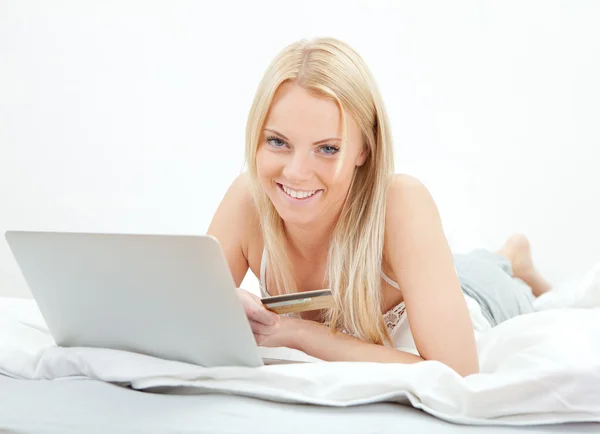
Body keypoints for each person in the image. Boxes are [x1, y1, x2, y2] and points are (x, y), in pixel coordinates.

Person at [207, 37, 552, 377]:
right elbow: (180, 323)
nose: (296, 173)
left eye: (327, 148)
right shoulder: (248, 200)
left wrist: (300, 334)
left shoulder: (401, 202)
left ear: (364, 150)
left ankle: (511, 257)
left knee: (487, 269)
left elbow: (457, 373)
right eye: (278, 141)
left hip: (476, 291)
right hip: (424, 273)